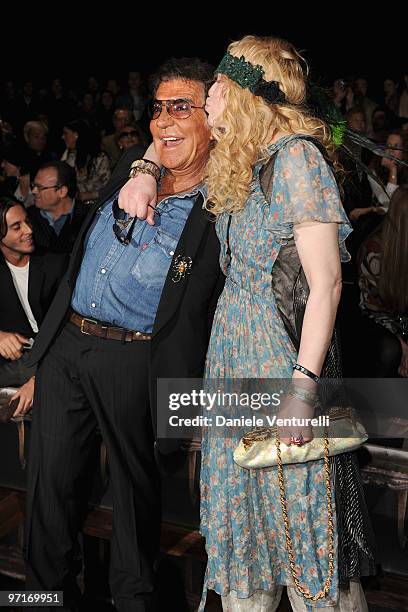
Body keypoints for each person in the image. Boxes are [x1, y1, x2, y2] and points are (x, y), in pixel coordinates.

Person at [119, 36, 376, 612]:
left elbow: (327, 285)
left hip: (278, 361)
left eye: (215, 86)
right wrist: (142, 171)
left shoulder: (295, 158)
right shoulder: (244, 161)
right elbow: (169, 143)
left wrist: (302, 392)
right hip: (231, 358)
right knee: (245, 529)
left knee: (301, 527)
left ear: (242, 92)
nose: (205, 95)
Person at [23, 57, 223, 612]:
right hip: (68, 346)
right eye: (158, 108)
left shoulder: (223, 204)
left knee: (135, 501)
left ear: (213, 115)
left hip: (138, 357)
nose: (164, 119)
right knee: (50, 490)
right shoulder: (131, 167)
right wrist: (147, 168)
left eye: (181, 106)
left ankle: (132, 601)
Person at [0, 197, 67, 413]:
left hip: (55, 358)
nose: (29, 230)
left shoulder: (55, 264)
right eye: (16, 227)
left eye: (27, 221)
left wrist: (39, 380)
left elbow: (71, 332)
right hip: (14, 360)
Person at [358, 185, 408, 377]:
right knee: (390, 349)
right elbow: (371, 307)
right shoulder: (374, 251)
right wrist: (402, 341)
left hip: (402, 319)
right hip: (379, 321)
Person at [28, 160, 88, 254]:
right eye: (33, 185)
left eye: (39, 187)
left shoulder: (88, 217)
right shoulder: (28, 219)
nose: (34, 191)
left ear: (62, 192)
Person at [61, 119, 111, 202]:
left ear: (76, 135)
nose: (63, 137)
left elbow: (108, 186)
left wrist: (90, 195)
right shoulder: (69, 156)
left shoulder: (100, 158)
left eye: (66, 133)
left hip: (97, 204)